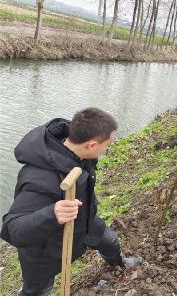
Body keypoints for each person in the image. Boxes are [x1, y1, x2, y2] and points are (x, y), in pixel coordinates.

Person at [1, 108, 142, 296]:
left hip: (81, 224)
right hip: (45, 249)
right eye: (107, 145)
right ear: (91, 145)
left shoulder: (75, 148)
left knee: (109, 239)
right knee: (36, 290)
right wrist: (51, 214)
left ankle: (118, 264)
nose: (107, 148)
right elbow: (13, 229)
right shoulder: (40, 179)